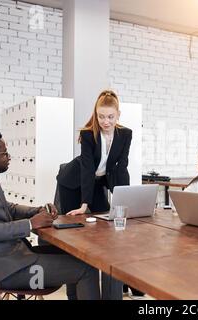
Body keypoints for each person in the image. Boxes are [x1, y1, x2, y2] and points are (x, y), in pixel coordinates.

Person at [0, 129, 100, 299]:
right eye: (4, 153)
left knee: (79, 258)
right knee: (87, 269)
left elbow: (8, 208)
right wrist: (30, 224)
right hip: (4, 270)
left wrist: (37, 211)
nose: (9, 157)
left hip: (10, 260)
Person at [56, 89, 134, 299]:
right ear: (96, 114)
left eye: (110, 117)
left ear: (118, 115)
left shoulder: (125, 134)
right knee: (75, 232)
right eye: (101, 116)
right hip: (73, 182)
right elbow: (88, 169)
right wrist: (84, 204)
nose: (105, 121)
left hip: (98, 182)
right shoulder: (88, 133)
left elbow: (121, 166)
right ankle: (74, 291)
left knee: (107, 226)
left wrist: (123, 199)